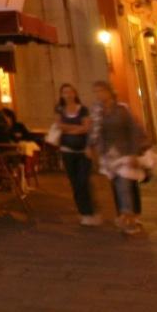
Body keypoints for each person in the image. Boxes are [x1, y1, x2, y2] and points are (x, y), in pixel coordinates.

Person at [89, 80, 154, 237]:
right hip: (108, 155)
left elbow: (133, 131)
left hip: (124, 152)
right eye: (96, 91)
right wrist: (91, 148)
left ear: (109, 91)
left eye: (101, 91)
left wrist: (133, 152)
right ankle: (126, 216)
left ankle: (129, 220)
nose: (98, 94)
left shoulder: (122, 110)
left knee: (124, 186)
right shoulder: (97, 111)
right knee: (119, 186)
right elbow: (94, 132)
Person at [52, 84, 99, 225]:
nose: (68, 94)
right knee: (75, 182)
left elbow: (86, 128)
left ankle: (90, 210)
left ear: (75, 93)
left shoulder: (83, 109)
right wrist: (77, 128)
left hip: (83, 150)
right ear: (61, 95)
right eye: (65, 92)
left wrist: (69, 129)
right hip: (67, 151)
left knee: (83, 180)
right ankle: (84, 212)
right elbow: (59, 126)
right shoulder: (59, 109)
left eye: (70, 91)